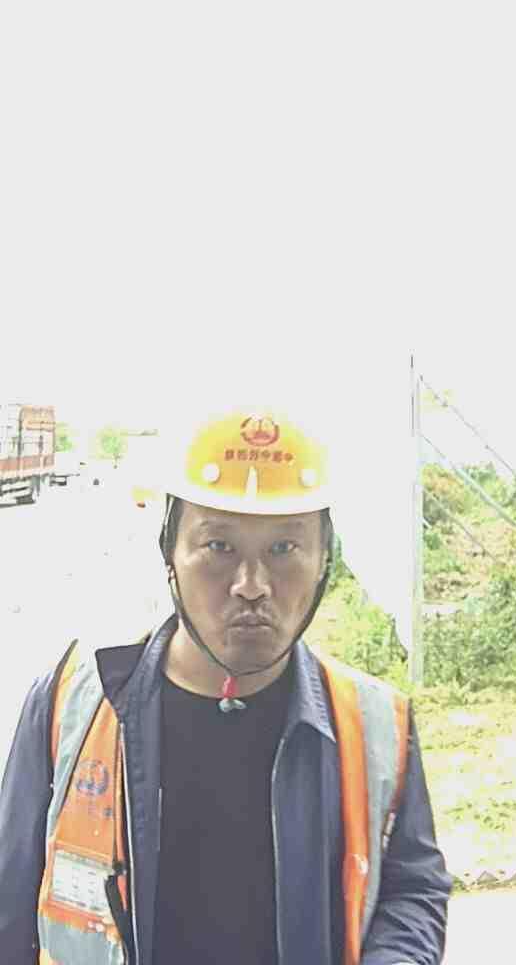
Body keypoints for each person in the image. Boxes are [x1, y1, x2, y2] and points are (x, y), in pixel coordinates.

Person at [0, 408, 451, 965]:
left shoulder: (377, 726)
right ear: (170, 551)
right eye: (219, 546)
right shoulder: (70, 705)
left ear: (324, 561)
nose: (252, 585)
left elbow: (412, 887)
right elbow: (12, 904)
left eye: (283, 549)